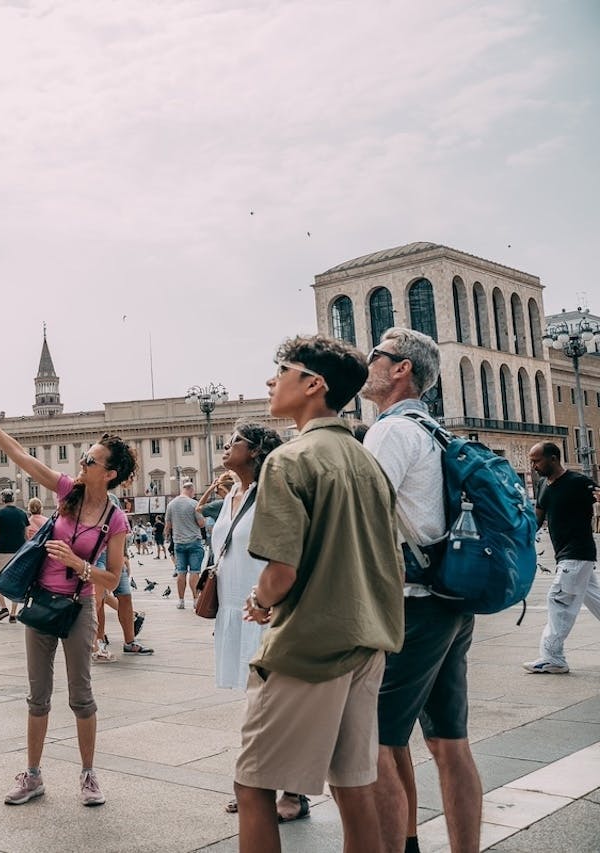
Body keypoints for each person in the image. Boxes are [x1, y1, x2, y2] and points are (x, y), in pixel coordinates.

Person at [235, 335, 404, 853]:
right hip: (367, 641)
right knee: (354, 786)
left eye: (281, 369)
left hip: (309, 647)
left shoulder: (290, 459)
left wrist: (261, 603)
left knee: (253, 783)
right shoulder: (365, 459)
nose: (271, 380)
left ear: (314, 384)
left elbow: (282, 570)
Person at [0, 394, 134, 808]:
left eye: (90, 460)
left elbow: (114, 576)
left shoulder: (115, 519)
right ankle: (33, 775)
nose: (82, 463)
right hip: (40, 603)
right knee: (38, 695)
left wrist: (77, 563)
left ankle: (88, 774)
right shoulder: (67, 492)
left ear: (108, 473)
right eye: (84, 457)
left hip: (79, 606)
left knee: (81, 695)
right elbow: (21, 457)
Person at [361, 328, 483, 853]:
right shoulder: (433, 430)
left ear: (401, 369)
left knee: (375, 743)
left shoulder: (389, 431)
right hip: (451, 601)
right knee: (448, 742)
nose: (368, 365)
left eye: (375, 357)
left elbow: (362, 517)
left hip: (412, 605)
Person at [208, 423, 296, 818]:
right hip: (234, 608)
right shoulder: (233, 494)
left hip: (264, 608)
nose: (227, 447)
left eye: (235, 442)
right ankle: (258, 784)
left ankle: (290, 793)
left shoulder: (271, 492)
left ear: (257, 450)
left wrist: (274, 599)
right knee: (256, 703)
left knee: (272, 704)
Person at [524, 441, 600, 675]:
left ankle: (552, 657)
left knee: (558, 601)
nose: (533, 465)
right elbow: (536, 520)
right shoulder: (544, 486)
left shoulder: (578, 482)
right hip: (568, 555)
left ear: (553, 458)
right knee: (596, 599)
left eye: (537, 460)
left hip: (576, 553)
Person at [0, 488, 30, 623]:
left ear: (2, 499)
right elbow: (27, 535)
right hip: (19, 552)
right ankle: (13, 613)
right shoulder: (22, 514)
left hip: (3, 551)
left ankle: (3, 608)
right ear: (13, 499)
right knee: (15, 581)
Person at [165, 479, 205, 608]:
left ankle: (181, 601)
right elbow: (201, 523)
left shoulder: (171, 505)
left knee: (181, 572)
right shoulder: (194, 504)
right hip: (194, 541)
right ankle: (195, 600)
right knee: (195, 572)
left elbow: (168, 526)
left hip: (179, 543)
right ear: (191, 490)